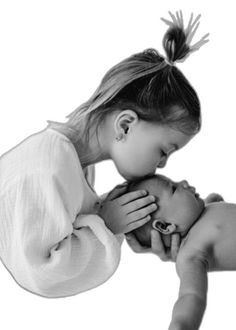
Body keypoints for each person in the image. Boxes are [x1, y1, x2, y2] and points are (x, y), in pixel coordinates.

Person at [0, 11, 208, 298]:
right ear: (125, 124)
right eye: (163, 151)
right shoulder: (47, 167)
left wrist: (122, 223)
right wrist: (108, 225)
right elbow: (41, 272)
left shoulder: (75, 165)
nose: (162, 164)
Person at [126, 173, 228, 330]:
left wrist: (212, 202)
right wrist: (181, 323)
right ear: (164, 226)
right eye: (174, 188)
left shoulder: (203, 213)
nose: (184, 182)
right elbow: (191, 295)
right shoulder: (190, 254)